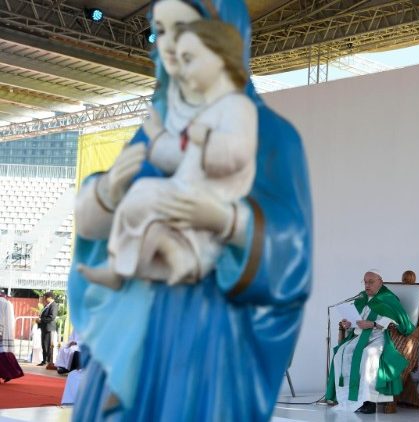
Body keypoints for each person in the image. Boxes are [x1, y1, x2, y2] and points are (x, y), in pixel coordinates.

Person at [67, 0, 312, 420]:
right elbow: (98, 223)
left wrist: (226, 221)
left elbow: (292, 251)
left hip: (207, 336)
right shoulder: (154, 129)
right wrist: (106, 193)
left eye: (183, 29)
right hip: (135, 324)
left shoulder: (271, 135)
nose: (169, 45)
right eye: (160, 31)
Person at [79, 19, 258, 289]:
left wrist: (206, 139)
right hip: (184, 189)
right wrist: (158, 136)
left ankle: (150, 262)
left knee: (143, 197)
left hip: (207, 195)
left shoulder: (238, 108)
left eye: (190, 58)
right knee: (143, 208)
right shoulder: (206, 111)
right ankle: (147, 262)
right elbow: (181, 156)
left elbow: (237, 154)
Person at [326, 270, 415, 414]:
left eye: (371, 282)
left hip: (379, 337)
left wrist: (373, 324)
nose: (367, 285)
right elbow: (357, 319)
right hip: (359, 337)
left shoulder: (388, 298)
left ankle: (369, 401)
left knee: (368, 355)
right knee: (341, 354)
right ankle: (345, 398)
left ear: (380, 281)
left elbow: (401, 323)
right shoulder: (361, 298)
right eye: (365, 282)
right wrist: (348, 324)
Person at [0, 291, 24, 383]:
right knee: (5, 353)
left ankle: (8, 373)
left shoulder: (1, 302)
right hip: (6, 331)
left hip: (1, 330)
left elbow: (0, 317)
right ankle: (9, 373)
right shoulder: (7, 302)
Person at [37, 292, 58, 370]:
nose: (44, 299)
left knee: (48, 345)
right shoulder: (47, 306)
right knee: (44, 345)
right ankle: (44, 360)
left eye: (45, 297)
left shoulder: (54, 305)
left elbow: (52, 317)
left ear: (50, 297)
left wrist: (41, 320)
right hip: (44, 328)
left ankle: (49, 361)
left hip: (49, 328)